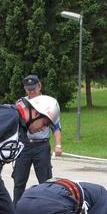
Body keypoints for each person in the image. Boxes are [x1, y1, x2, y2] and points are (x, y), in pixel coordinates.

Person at [11, 75, 63, 205]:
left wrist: (58, 145)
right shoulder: (21, 103)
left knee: (45, 181)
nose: (31, 91)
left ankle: (48, 208)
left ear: (39, 86)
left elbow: (56, 127)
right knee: (19, 181)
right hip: (24, 146)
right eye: (28, 89)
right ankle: (16, 211)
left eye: (33, 88)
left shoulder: (48, 104)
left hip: (41, 146)